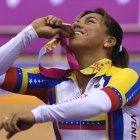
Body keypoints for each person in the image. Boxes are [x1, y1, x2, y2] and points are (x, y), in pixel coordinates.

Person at [0, 8, 140, 140]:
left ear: (109, 41)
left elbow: (99, 103)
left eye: (89, 21)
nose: (77, 24)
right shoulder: (53, 82)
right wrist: (31, 32)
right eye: (77, 21)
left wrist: (37, 114)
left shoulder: (127, 76)